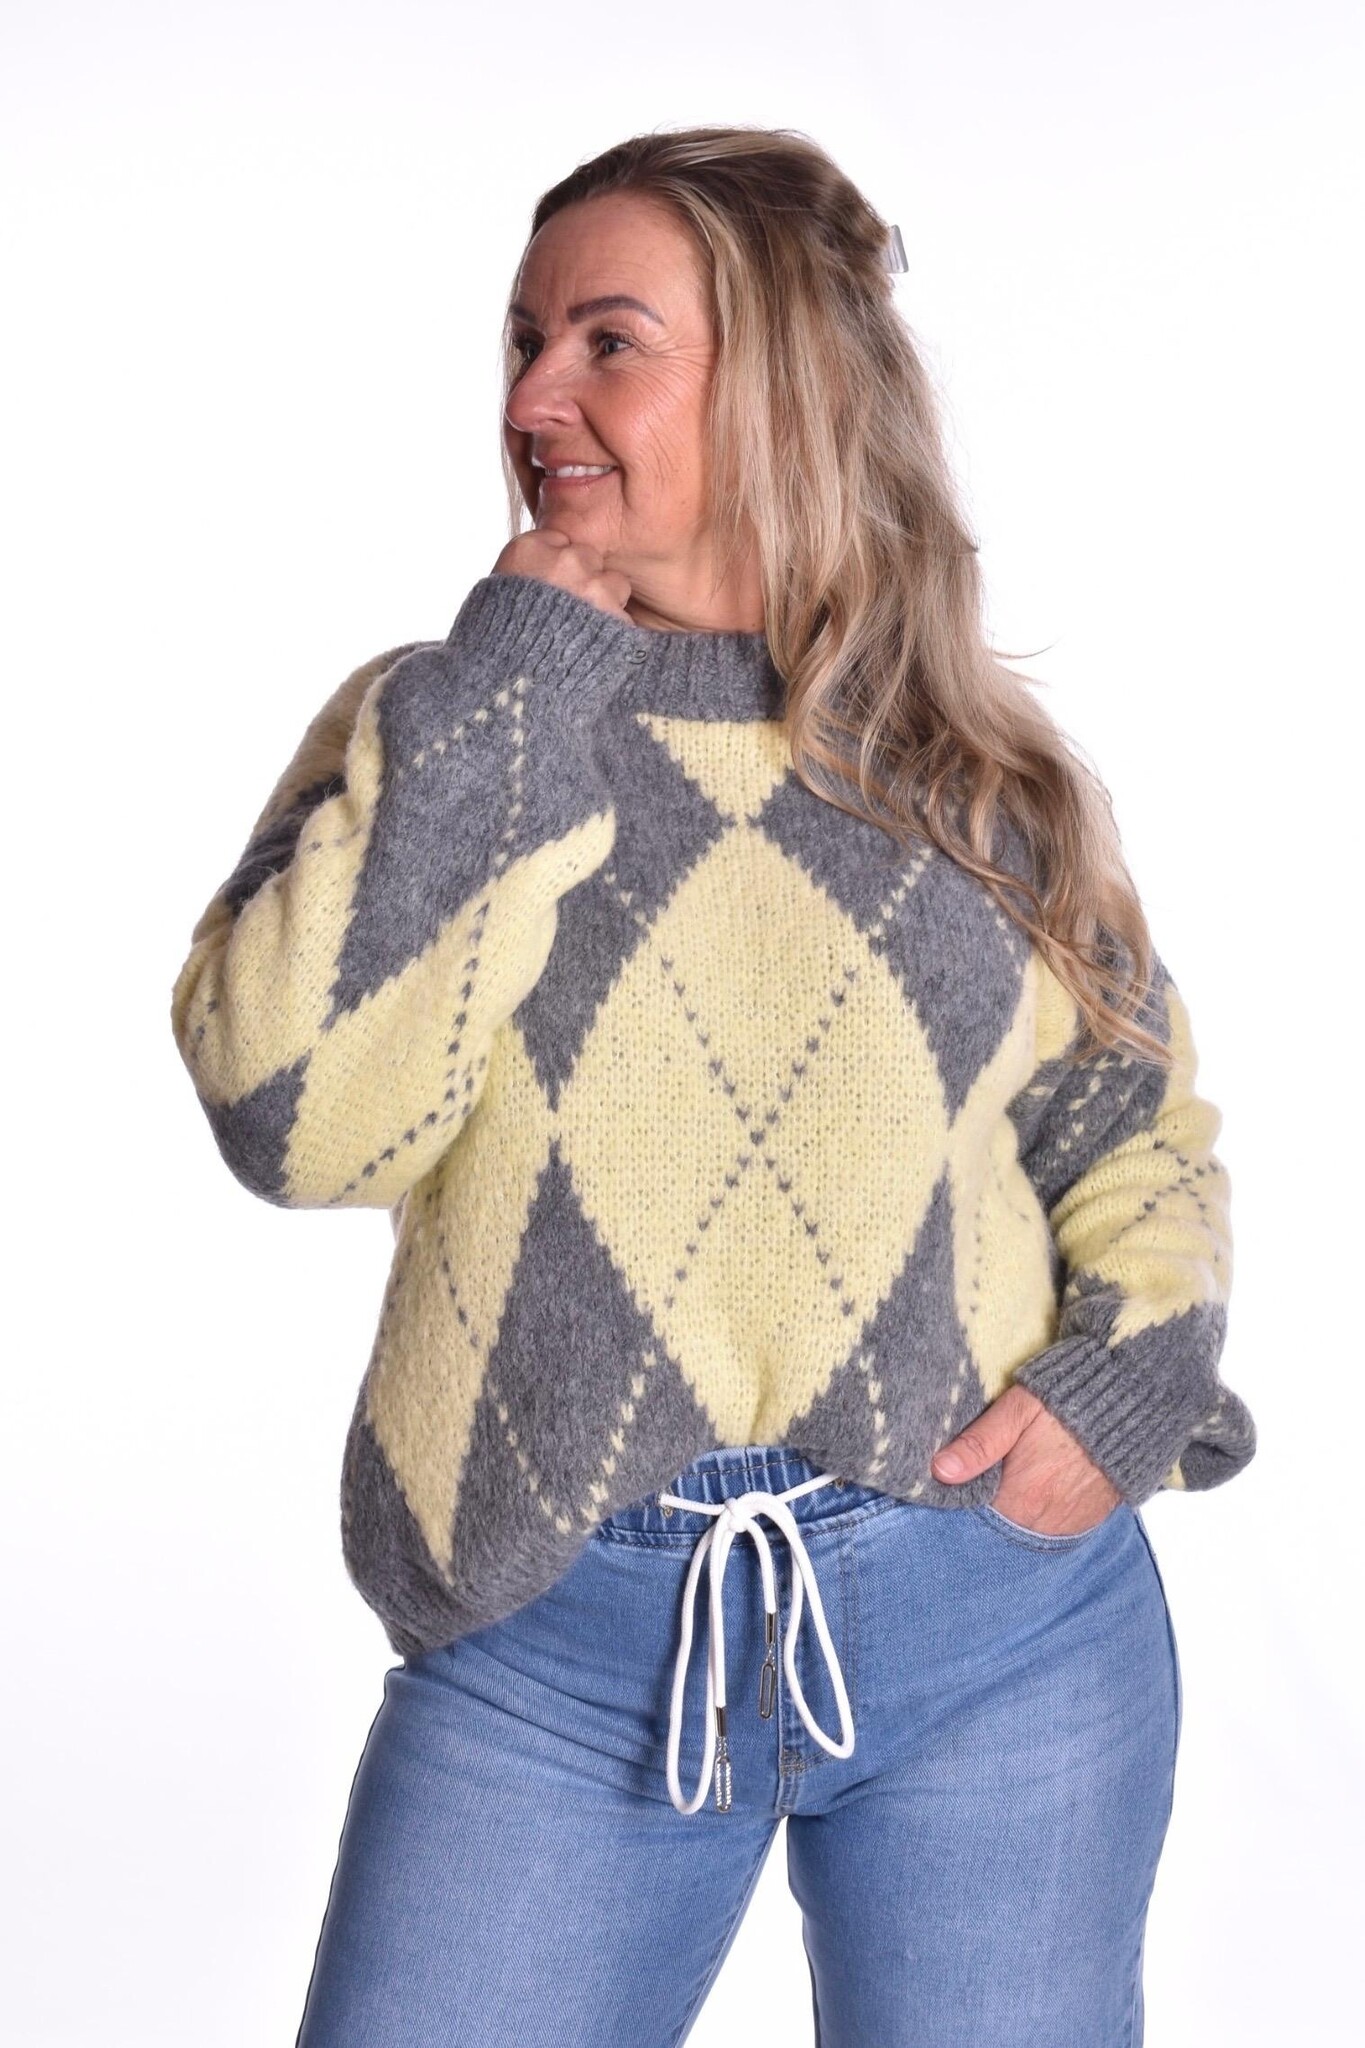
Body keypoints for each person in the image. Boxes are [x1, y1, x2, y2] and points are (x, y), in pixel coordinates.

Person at [169, 125, 1257, 2047]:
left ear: (782, 381)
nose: (533, 398)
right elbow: (299, 1118)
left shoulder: (965, 769)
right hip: (553, 1655)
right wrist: (523, 679)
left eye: (607, 342)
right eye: (524, 343)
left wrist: (1120, 1392)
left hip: (993, 1628)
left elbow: (1133, 1131)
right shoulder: (444, 717)